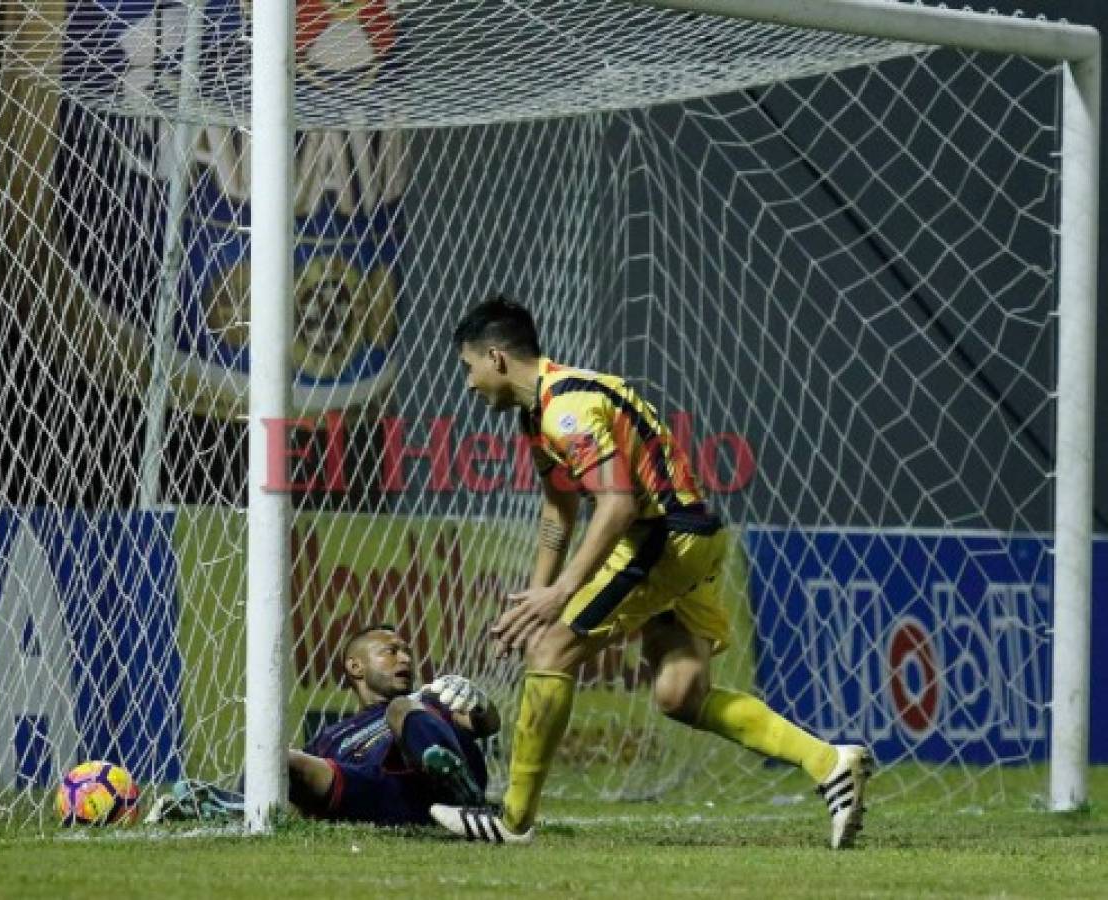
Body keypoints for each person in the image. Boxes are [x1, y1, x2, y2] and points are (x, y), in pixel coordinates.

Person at [431, 296, 871, 848]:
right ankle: (830, 762)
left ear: (495, 358)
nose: (469, 384)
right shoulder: (537, 412)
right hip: (692, 536)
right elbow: (559, 508)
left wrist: (563, 592)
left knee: (552, 651)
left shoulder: (567, 410)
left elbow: (614, 505)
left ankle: (513, 821)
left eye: (468, 368)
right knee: (678, 692)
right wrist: (538, 593)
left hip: (663, 537)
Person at [148, 624, 497, 826]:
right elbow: (304, 792)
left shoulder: (429, 698)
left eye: (406, 651)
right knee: (279, 759)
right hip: (383, 797)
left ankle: (458, 790)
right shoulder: (330, 736)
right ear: (356, 667)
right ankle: (233, 808)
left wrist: (479, 702)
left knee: (402, 707)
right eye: (390, 651)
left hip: (428, 785)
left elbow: (485, 724)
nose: (405, 657)